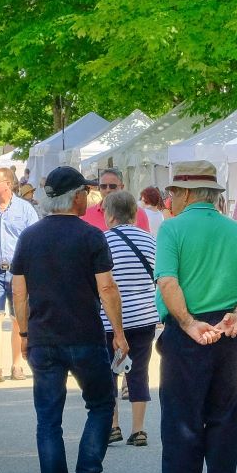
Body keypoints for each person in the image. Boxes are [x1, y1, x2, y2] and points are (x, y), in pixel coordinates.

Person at [145, 160, 237, 473]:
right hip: (229, 328)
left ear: (185, 193)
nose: (170, 199)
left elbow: (167, 281)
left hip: (188, 329)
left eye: (172, 192)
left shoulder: (172, 229)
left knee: (182, 415)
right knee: (224, 415)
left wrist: (186, 322)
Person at [11, 167, 128, 473]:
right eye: (86, 192)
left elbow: (19, 292)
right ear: (76, 196)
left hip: (43, 336)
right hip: (85, 335)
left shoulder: (29, 237)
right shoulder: (91, 236)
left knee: (48, 418)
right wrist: (119, 333)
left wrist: (24, 332)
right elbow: (107, 288)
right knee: (101, 404)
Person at [100, 189, 159, 446]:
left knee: (109, 372)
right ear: (134, 213)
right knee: (139, 371)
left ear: (110, 215)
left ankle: (113, 426)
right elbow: (159, 276)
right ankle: (138, 430)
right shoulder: (149, 241)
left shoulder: (103, 241)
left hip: (109, 320)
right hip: (144, 317)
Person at [0, 166, 40, 383]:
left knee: (18, 318)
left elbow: (35, 242)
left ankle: (17, 365)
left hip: (19, 271)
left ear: (9, 184)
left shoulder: (25, 210)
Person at [84, 169, 151, 232]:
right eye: (103, 186)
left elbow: (144, 238)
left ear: (122, 187)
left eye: (112, 186)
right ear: (99, 188)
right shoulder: (86, 215)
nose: (108, 190)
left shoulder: (138, 213)